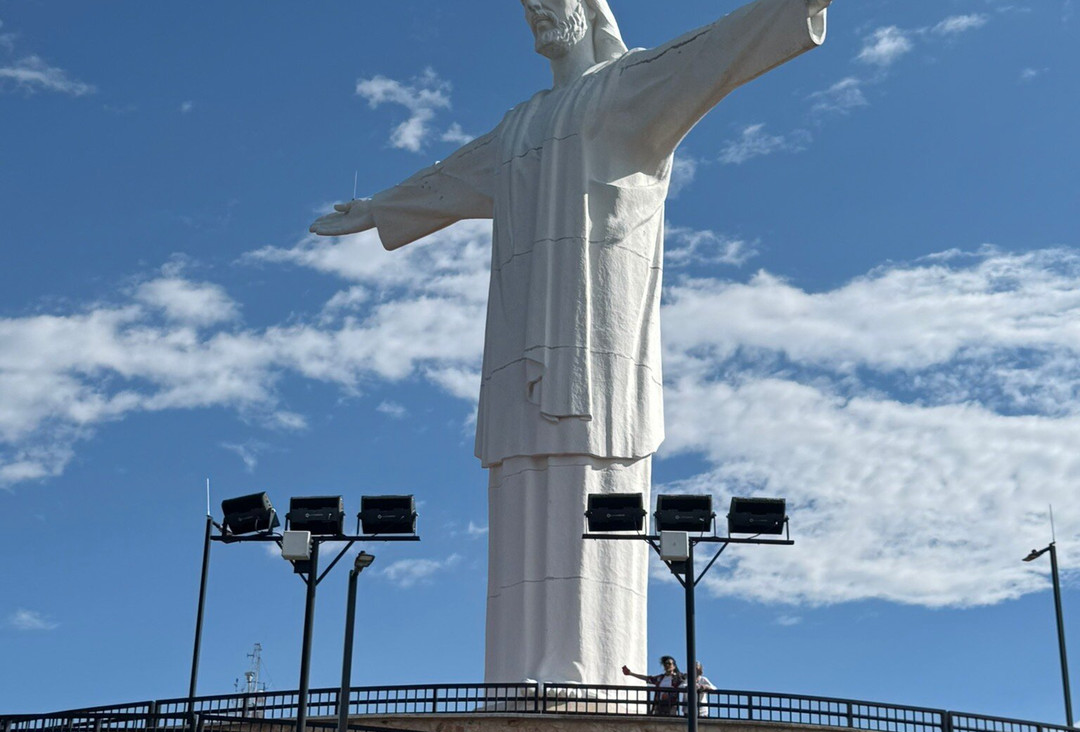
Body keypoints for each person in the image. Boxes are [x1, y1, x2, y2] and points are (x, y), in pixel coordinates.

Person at [311, 0, 832, 685]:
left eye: (552, 1)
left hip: (598, 348)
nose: (540, 14)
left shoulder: (632, 87)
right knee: (522, 480)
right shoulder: (520, 126)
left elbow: (719, 48)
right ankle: (515, 681)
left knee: (593, 483)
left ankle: (594, 680)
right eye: (529, 6)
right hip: (520, 348)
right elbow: (447, 178)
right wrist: (379, 208)